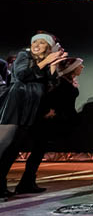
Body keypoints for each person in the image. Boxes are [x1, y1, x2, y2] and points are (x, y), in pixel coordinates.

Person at [1, 33, 67, 200]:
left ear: (48, 47)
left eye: (42, 42)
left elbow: (51, 84)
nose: (37, 44)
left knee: (14, 148)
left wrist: (53, 65)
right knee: (5, 144)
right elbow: (22, 75)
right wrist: (46, 61)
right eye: (35, 41)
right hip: (17, 103)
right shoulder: (24, 55)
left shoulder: (44, 61)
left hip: (32, 108)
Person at [18, 56, 83, 194]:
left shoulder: (68, 81)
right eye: (80, 65)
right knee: (37, 150)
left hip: (57, 119)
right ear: (72, 68)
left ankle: (27, 181)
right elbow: (49, 97)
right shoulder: (59, 82)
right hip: (47, 121)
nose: (82, 68)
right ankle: (26, 182)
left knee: (39, 151)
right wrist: (47, 111)